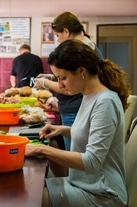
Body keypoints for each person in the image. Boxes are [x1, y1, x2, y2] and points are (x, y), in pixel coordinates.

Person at [26, 39, 130, 207]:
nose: (59, 85)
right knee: (29, 188)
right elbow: (89, 133)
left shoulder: (105, 102)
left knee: (29, 199)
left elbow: (92, 161)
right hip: (84, 185)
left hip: (102, 194)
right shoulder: (89, 95)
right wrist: (62, 130)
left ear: (81, 71)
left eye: (63, 78)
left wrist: (42, 149)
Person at [34, 11, 103, 152]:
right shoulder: (85, 46)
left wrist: (45, 83)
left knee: (74, 152)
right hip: (74, 109)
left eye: (58, 36)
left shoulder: (81, 50)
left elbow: (88, 161)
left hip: (73, 109)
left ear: (66, 31)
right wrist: (52, 77)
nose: (58, 40)